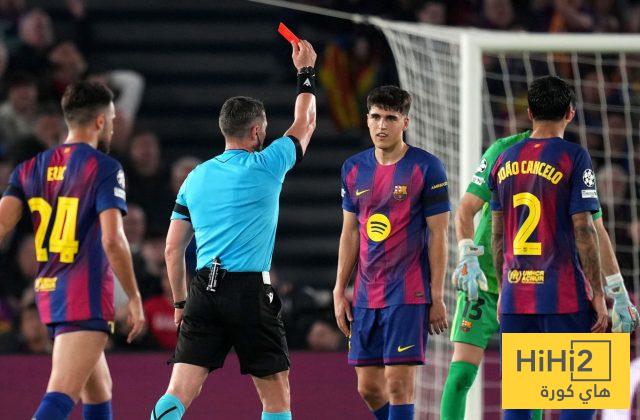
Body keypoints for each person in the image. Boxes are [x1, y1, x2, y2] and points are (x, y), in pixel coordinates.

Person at [149, 39, 317, 420]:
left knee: (178, 392)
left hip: (203, 291)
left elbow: (173, 249)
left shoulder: (194, 177)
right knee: (275, 397)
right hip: (249, 292)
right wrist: (305, 72)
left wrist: (180, 303)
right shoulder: (267, 164)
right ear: (256, 131)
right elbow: (306, 123)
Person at [441, 127, 639, 420]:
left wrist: (617, 289)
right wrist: (467, 254)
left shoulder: (567, 159)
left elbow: (594, 229)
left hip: (530, 286)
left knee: (533, 385)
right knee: (461, 375)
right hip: (483, 279)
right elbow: (466, 209)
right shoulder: (503, 151)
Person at [488, 75, 639, 420]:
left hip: (515, 295)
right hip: (563, 295)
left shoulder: (503, 159)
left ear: (529, 113)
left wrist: (502, 288)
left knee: (520, 403)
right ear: (570, 112)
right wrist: (599, 292)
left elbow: (498, 236)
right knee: (580, 400)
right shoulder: (573, 156)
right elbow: (585, 229)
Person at [0, 81, 145, 419]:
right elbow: (113, 239)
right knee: (61, 394)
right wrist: (134, 296)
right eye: (111, 119)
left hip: (49, 290)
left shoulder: (30, 167)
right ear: (99, 121)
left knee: (99, 389)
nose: (112, 126)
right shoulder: (104, 167)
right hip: (84, 293)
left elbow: (3, 223)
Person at [334, 85, 450, 420]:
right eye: (375, 117)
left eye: (390, 118)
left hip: (408, 292)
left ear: (405, 123)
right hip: (366, 294)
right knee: (368, 388)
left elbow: (439, 234)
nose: (381, 125)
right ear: (367, 119)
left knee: (399, 385)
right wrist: (340, 289)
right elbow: (350, 232)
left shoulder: (427, 167)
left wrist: (437, 295)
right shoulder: (353, 169)